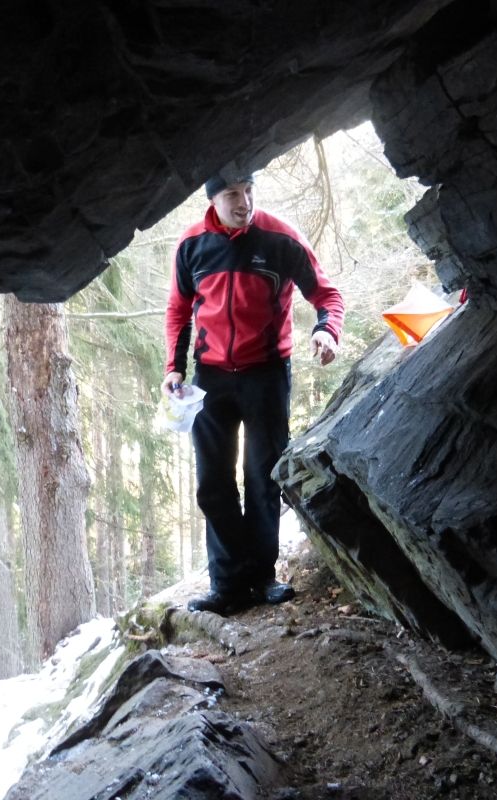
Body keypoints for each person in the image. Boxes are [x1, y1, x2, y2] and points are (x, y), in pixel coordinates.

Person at [162, 171, 344, 615]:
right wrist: (173, 367)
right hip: (209, 379)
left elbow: (327, 296)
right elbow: (178, 310)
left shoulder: (281, 238)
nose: (244, 202)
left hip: (266, 374)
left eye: (249, 191)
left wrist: (327, 331)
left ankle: (262, 578)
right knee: (213, 482)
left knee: (263, 478)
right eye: (232, 194)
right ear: (213, 200)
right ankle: (227, 585)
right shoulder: (192, 245)